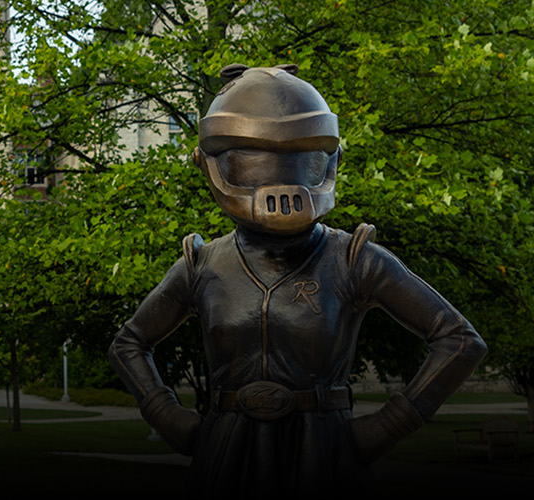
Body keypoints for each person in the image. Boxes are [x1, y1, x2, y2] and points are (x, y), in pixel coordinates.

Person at [108, 64, 487, 496]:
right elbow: (129, 343)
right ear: (209, 164)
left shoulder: (352, 260)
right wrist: (171, 420)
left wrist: (385, 428)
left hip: (325, 456)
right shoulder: (204, 265)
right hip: (226, 456)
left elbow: (459, 340)